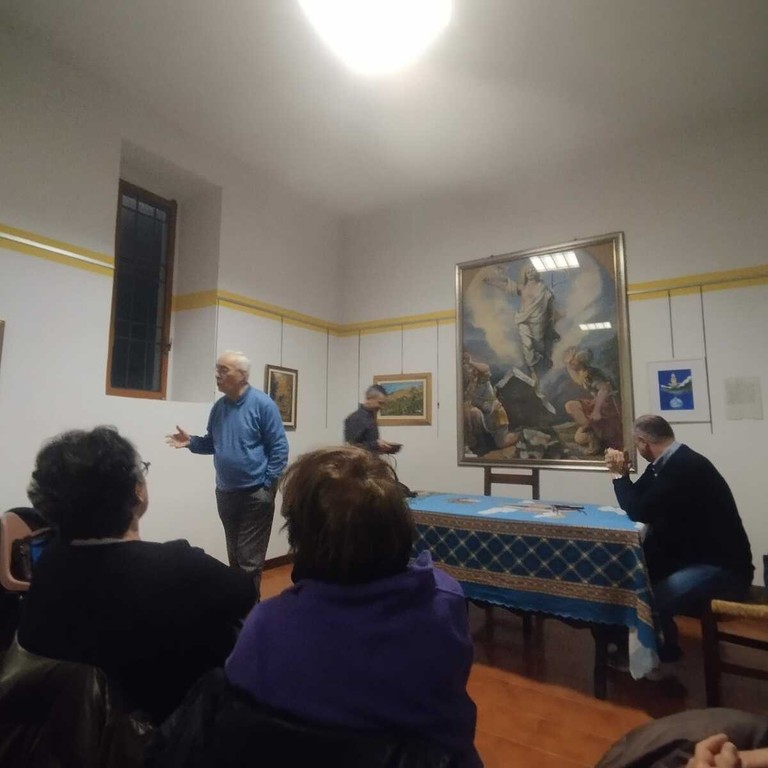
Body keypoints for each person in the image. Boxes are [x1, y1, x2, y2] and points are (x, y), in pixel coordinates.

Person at [225, 446, 482, 767]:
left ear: (299, 537)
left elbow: (238, 702)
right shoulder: (444, 601)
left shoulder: (265, 625)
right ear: (399, 525)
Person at [16, 426, 255, 724]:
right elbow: (246, 593)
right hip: (167, 733)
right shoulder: (177, 565)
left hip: (66, 730)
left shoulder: (48, 563)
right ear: (136, 490)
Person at [604, 414, 753, 663]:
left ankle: (656, 656)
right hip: (691, 556)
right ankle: (662, 645)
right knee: (633, 579)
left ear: (643, 442)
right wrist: (625, 473)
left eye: (636, 443)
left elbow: (638, 510)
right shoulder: (667, 463)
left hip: (722, 568)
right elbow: (638, 497)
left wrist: (619, 476)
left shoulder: (683, 467)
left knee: (650, 602)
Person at [167, 350, 289, 601]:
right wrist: (191, 442)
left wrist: (267, 484)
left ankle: (249, 615)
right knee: (235, 558)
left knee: (248, 562)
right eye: (217, 369)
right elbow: (213, 443)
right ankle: (238, 610)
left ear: (242, 375)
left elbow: (279, 448)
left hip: (256, 493)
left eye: (224, 370)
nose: (217, 375)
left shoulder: (263, 405)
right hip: (226, 492)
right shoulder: (219, 408)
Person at [484, 263, 560, 386]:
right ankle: (532, 370)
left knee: (540, 345)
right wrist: (492, 282)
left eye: (533, 270)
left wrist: (552, 317)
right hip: (523, 320)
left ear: (537, 272)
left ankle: (543, 362)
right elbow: (506, 286)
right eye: (528, 271)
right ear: (525, 274)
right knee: (527, 345)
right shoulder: (522, 287)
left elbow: (550, 306)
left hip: (540, 322)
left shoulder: (543, 288)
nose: (530, 272)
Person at [564, 346, 623, 455]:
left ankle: (594, 439)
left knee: (579, 436)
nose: (571, 362)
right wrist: (568, 365)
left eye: (573, 360)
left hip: (607, 406)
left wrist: (596, 411)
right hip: (598, 403)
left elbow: (604, 390)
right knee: (579, 437)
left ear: (581, 363)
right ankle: (592, 435)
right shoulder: (583, 372)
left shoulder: (592, 373)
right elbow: (577, 378)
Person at [462, 352, 519, 454]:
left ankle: (521, 435)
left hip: (495, 415)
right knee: (473, 413)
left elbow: (485, 368)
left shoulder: (483, 381)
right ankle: (476, 443)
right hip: (484, 416)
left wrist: (470, 362)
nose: (471, 372)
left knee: (501, 443)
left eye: (473, 370)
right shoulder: (470, 386)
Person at [343, 384, 398, 454]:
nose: (381, 407)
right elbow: (350, 447)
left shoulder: (370, 417)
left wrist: (382, 447)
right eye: (380, 403)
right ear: (369, 398)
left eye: (383, 404)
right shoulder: (356, 418)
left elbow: (367, 444)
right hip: (360, 461)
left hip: (370, 460)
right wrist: (376, 444)